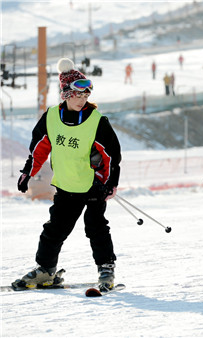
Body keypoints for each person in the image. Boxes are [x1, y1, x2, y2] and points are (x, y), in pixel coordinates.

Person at [13, 58, 121, 289]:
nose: (83, 99)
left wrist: (109, 182)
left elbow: (112, 155)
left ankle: (106, 268)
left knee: (96, 227)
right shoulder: (51, 117)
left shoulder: (97, 121)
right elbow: (39, 148)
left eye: (86, 95)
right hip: (65, 185)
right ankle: (46, 270)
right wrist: (27, 173)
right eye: (78, 95)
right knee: (54, 229)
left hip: (93, 185)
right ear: (65, 94)